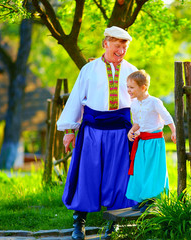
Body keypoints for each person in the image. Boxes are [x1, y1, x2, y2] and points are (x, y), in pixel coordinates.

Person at [56, 26, 138, 240]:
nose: (121, 50)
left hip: (121, 132)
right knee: (87, 174)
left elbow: (140, 102)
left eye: (124, 46)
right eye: (117, 45)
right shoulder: (88, 70)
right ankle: (79, 223)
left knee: (118, 176)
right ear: (105, 44)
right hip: (92, 130)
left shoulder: (132, 70)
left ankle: (114, 224)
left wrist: (141, 127)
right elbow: (76, 99)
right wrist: (68, 131)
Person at [125, 70, 176, 212]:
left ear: (143, 87)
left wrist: (173, 131)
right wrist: (131, 131)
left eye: (132, 87)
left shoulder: (154, 102)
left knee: (153, 170)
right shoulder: (134, 104)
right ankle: (143, 199)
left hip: (155, 141)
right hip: (142, 142)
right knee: (141, 169)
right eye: (128, 87)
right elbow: (137, 122)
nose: (129, 90)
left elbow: (167, 117)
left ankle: (153, 199)